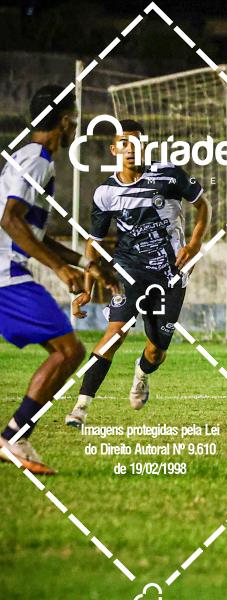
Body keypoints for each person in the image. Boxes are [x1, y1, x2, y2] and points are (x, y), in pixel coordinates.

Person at [65, 119, 210, 427]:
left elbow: (203, 207)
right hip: (129, 272)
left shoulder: (169, 175)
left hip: (171, 274)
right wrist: (86, 288)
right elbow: (94, 244)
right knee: (114, 334)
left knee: (156, 351)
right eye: (124, 143)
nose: (131, 149)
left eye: (136, 143)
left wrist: (194, 244)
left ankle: (142, 373)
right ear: (114, 149)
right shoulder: (106, 192)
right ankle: (80, 407)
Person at [0, 85, 114, 474]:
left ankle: (14, 438)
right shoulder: (37, 161)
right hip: (6, 275)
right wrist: (60, 269)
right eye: (75, 120)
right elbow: (10, 221)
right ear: (65, 121)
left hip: (7, 272)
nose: (75, 127)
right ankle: (13, 438)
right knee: (69, 351)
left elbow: (31, 231)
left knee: (67, 351)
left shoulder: (28, 157)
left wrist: (83, 261)